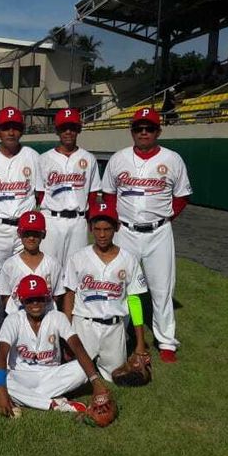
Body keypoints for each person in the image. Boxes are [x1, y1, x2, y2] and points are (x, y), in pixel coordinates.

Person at [100, 107, 191, 363]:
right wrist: (115, 222)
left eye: (149, 128)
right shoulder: (119, 158)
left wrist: (165, 219)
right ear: (132, 131)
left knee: (161, 288)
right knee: (120, 285)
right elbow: (109, 194)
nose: (143, 132)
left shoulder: (172, 159)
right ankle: (120, 335)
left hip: (158, 232)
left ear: (158, 131)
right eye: (138, 128)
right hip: (126, 231)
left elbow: (182, 196)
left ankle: (166, 341)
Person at [0, 275, 109, 416]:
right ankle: (53, 404)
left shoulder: (57, 317)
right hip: (22, 376)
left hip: (51, 375)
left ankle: (25, 397)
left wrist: (95, 381)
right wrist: (1, 389)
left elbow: (77, 347)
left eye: (39, 298)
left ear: (47, 299)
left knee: (81, 370)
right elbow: (2, 354)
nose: (35, 303)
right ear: (21, 300)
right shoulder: (13, 319)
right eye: (30, 299)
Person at [62, 201, 150, 380]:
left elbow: (134, 301)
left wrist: (140, 343)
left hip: (114, 329)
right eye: (97, 229)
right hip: (84, 326)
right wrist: (66, 334)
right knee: (76, 378)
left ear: (117, 228)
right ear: (90, 228)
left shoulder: (129, 260)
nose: (102, 234)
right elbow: (69, 296)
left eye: (107, 229)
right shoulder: (77, 258)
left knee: (117, 377)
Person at [35, 108, 101, 264]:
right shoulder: (44, 159)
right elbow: (40, 193)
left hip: (78, 221)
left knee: (76, 267)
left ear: (78, 130)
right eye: (64, 128)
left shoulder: (89, 158)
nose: (68, 132)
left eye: (72, 128)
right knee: (49, 266)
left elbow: (92, 195)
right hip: (51, 220)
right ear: (57, 131)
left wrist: (90, 220)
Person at [0, 106, 41, 260]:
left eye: (16, 128)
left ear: (22, 131)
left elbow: (40, 194)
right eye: (6, 128)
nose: (11, 133)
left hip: (25, 230)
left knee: (24, 271)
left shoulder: (34, 157)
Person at [0, 211, 65, 316]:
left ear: (44, 234)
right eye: (27, 233)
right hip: (17, 319)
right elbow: (5, 297)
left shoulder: (53, 264)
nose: (31, 238)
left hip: (46, 317)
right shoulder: (9, 264)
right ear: (19, 233)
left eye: (36, 234)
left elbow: (57, 296)